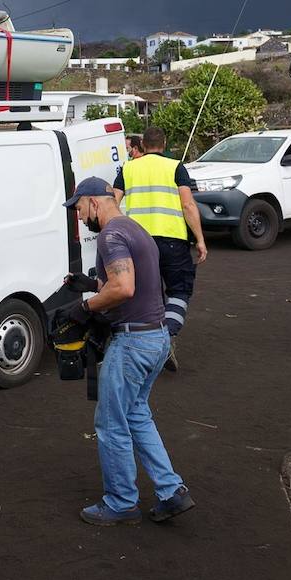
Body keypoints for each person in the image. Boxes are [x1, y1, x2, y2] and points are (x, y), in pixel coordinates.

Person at [59, 177, 195, 526]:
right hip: (157, 337)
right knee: (136, 415)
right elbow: (134, 282)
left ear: (93, 201)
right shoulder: (136, 229)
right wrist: (90, 285)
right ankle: (170, 491)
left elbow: (124, 286)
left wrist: (86, 307)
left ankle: (120, 502)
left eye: (79, 209)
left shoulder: (110, 235)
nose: (80, 217)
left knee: (111, 423)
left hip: (132, 344)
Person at [112, 126, 207, 369]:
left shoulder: (128, 168)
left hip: (138, 242)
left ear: (142, 145)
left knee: (147, 295)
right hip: (172, 240)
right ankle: (165, 340)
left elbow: (113, 203)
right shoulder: (175, 167)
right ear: (164, 144)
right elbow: (187, 205)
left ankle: (140, 348)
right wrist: (200, 239)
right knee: (178, 291)